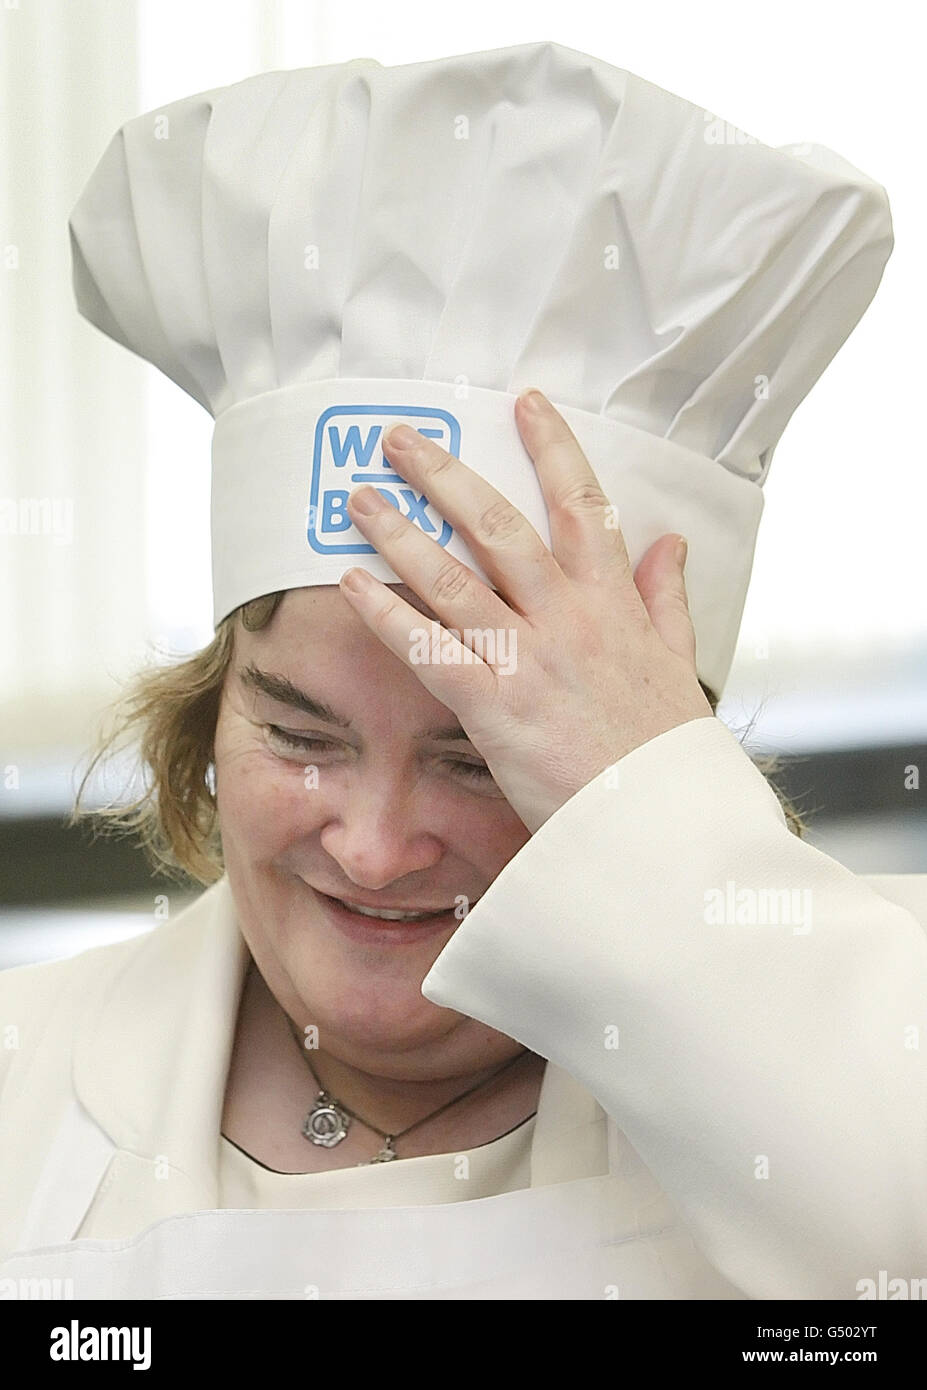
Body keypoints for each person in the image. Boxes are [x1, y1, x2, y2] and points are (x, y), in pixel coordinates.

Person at [1, 40, 925, 1300]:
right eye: (299, 735)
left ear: (652, 743)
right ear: (208, 715)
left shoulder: (881, 1027)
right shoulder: (21, 1078)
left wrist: (659, 822)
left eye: (478, 752)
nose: (375, 852)